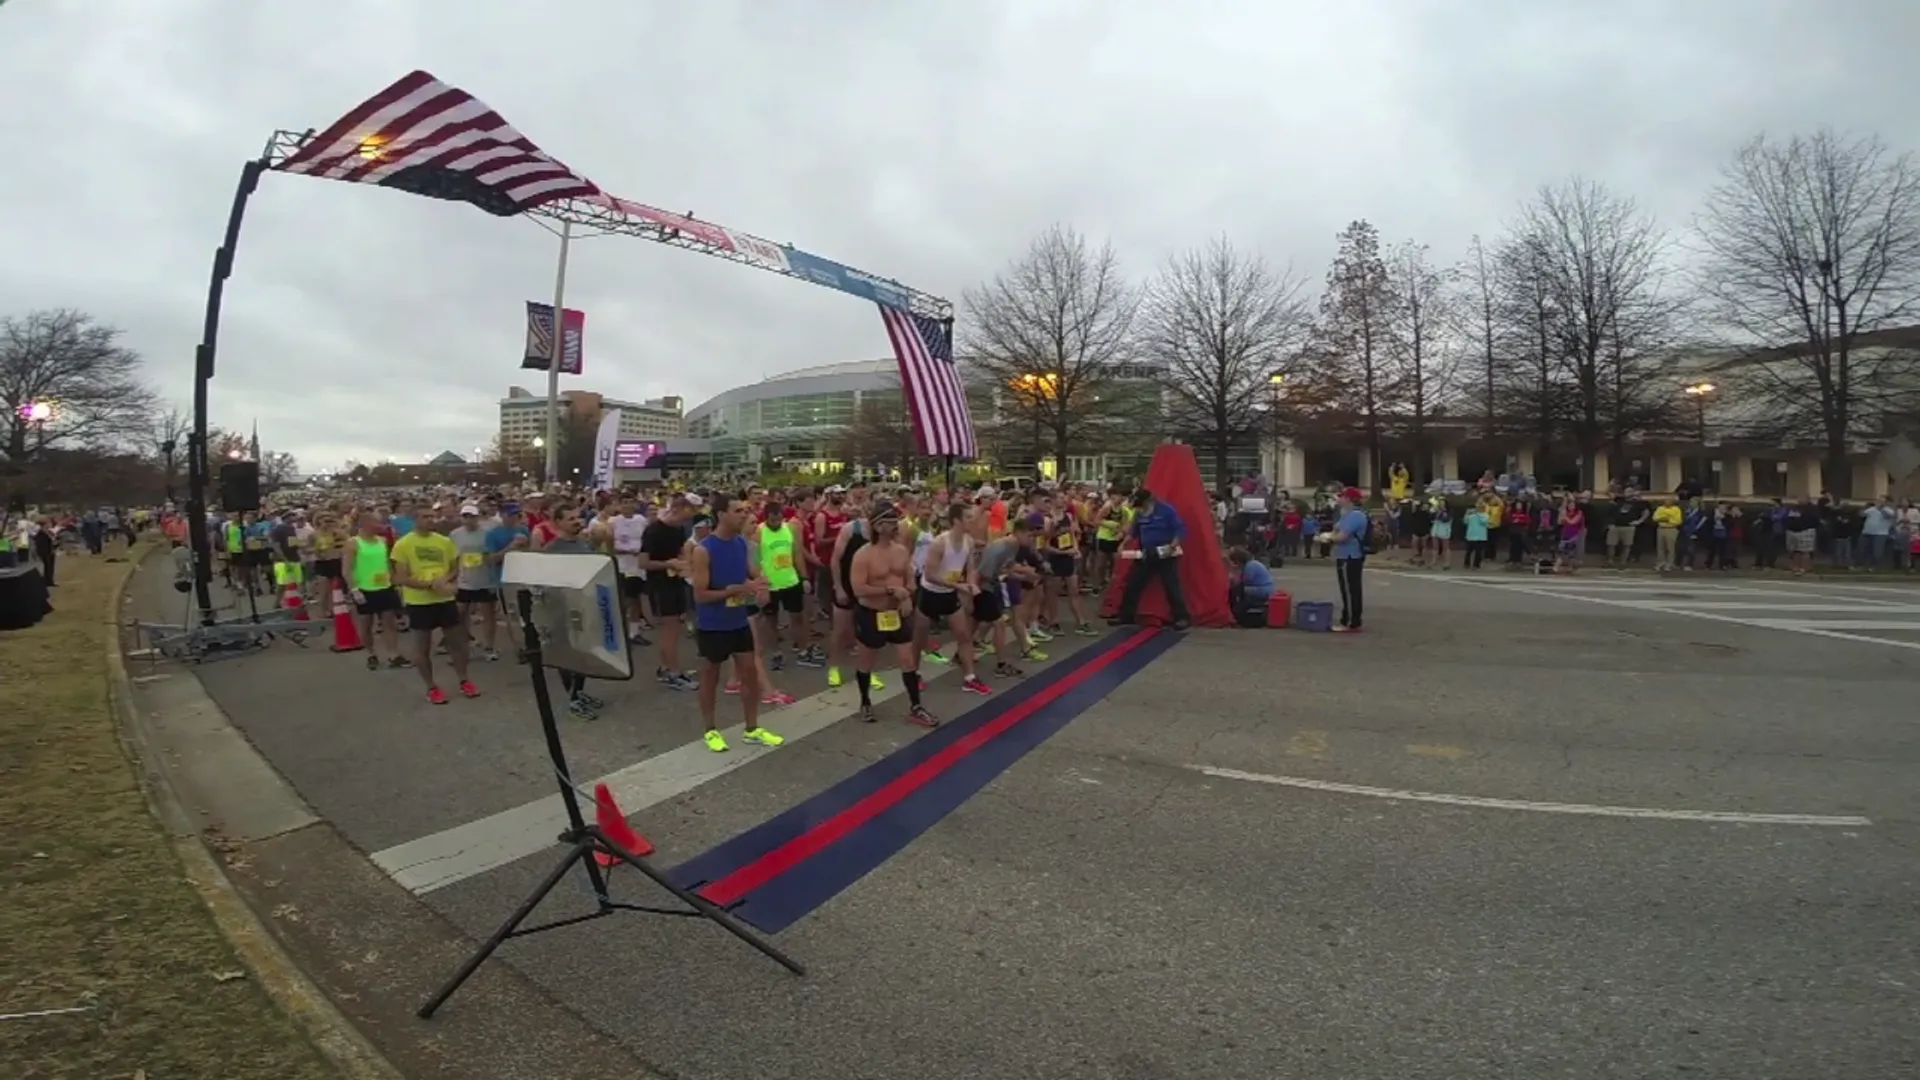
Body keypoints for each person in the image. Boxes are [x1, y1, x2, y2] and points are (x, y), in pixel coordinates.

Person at [687, 494, 785, 753]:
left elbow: (752, 572)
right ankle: (710, 730)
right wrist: (737, 590)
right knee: (710, 677)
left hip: (738, 621)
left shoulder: (742, 543)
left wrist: (762, 583)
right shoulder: (704, 549)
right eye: (738, 511)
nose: (744, 515)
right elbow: (700, 595)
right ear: (721, 515)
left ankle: (752, 728)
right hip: (712, 625)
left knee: (750, 675)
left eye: (745, 510)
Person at [848, 499, 937, 727]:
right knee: (866, 661)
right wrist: (890, 590)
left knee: (908, 661)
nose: (895, 525)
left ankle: (916, 706)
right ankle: (865, 701)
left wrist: (906, 595)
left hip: (896, 614)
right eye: (889, 521)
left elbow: (911, 581)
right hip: (871, 613)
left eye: (896, 520)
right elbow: (858, 589)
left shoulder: (900, 551)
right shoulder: (863, 555)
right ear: (878, 526)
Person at [391, 508, 479, 704]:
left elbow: (454, 567)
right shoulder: (403, 544)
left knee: (458, 643)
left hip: (444, 600)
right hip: (419, 602)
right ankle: (431, 687)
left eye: (432, 516)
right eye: (425, 517)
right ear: (415, 520)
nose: (431, 520)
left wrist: (445, 581)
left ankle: (464, 680)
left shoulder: (444, 541)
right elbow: (401, 577)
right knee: (422, 647)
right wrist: (430, 585)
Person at [915, 503, 990, 696]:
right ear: (956, 520)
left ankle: (969, 678)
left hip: (949, 593)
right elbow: (930, 575)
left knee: (964, 636)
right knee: (919, 639)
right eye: (968, 517)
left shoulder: (969, 541)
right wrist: (959, 586)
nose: (972, 521)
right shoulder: (940, 542)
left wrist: (971, 585)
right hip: (930, 592)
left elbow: (971, 568)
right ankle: (914, 674)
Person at [1110, 488, 1190, 629]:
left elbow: (1180, 528)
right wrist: (1122, 544)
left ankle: (1181, 617)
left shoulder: (1166, 510)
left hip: (1165, 553)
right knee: (1133, 584)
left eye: (1141, 504)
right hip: (1146, 553)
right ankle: (1126, 616)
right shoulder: (1139, 512)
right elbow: (1134, 532)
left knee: (1171, 586)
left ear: (1148, 501)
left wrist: (1174, 544)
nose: (1139, 508)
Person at [343, 511, 405, 669]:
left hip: (384, 587)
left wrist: (394, 581)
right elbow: (347, 569)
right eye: (377, 523)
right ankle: (371, 654)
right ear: (366, 524)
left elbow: (387, 563)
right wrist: (354, 589)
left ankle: (393, 654)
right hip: (365, 589)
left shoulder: (382, 541)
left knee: (389, 622)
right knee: (366, 624)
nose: (381, 526)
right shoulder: (353, 543)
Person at [1330, 486, 1369, 633]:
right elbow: (1337, 530)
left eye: (1342, 497)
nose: (1339, 499)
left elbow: (1342, 536)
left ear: (1349, 499)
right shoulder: (1346, 514)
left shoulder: (1355, 516)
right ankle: (1351, 619)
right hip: (1344, 555)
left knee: (1350, 590)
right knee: (1348, 589)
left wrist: (1328, 538)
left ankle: (1350, 621)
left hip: (1350, 556)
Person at [1226, 547, 1275, 624]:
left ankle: (1237, 610)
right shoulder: (1252, 563)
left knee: (1239, 589)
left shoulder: (1250, 566)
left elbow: (1244, 582)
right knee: (1240, 589)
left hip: (1262, 590)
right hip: (1265, 588)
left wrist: (1235, 572)